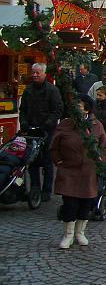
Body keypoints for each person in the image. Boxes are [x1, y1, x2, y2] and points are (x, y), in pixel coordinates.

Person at [50, 94, 106, 249]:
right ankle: (68, 235)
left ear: (87, 109)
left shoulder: (96, 125)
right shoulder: (65, 124)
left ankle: (80, 233)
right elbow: (54, 146)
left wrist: (100, 161)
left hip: (89, 172)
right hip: (69, 171)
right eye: (74, 106)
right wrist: (59, 162)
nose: (76, 109)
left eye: (80, 106)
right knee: (70, 204)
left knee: (86, 204)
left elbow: (104, 145)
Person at [19, 62, 63, 201]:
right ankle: (35, 187)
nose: (35, 75)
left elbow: (57, 111)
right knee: (31, 160)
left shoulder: (52, 90)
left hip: (46, 131)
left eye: (38, 73)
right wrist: (24, 123)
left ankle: (46, 190)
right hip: (31, 130)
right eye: (33, 72)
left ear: (44, 74)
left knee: (47, 161)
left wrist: (47, 124)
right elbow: (23, 110)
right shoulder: (28, 90)